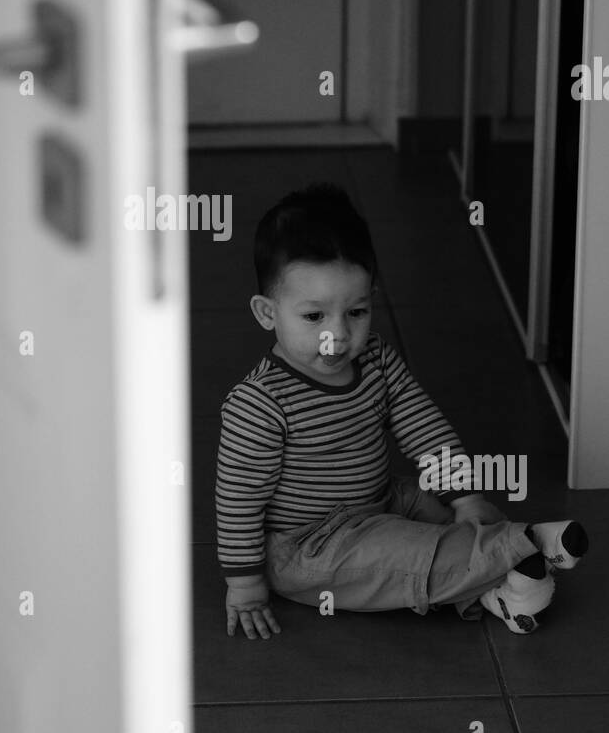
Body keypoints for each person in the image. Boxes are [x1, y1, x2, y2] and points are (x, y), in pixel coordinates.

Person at [215, 183, 588, 640]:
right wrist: (245, 583)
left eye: (356, 312)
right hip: (307, 546)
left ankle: (504, 590)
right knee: (407, 554)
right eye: (314, 317)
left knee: (445, 509)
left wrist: (465, 497)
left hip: (381, 499)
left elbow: (423, 427)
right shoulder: (260, 404)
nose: (337, 334)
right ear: (267, 312)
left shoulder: (375, 359)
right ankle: (525, 543)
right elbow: (238, 501)